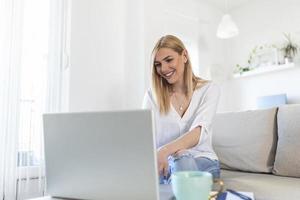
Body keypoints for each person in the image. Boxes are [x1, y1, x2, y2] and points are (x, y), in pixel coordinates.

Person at [142, 35, 221, 184]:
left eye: (169, 60)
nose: (163, 69)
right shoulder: (151, 96)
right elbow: (144, 139)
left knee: (182, 160)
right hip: (164, 165)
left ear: (184, 56)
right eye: (158, 64)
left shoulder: (209, 90)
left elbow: (198, 132)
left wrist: (165, 151)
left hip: (202, 161)